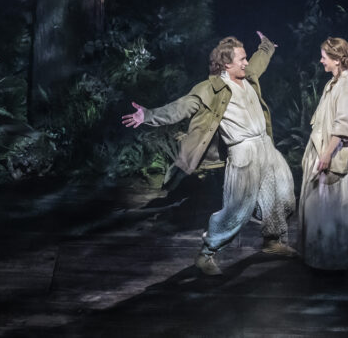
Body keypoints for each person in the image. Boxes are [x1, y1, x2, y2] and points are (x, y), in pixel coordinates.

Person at [122, 32, 297, 276]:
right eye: (241, 59)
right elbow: (180, 107)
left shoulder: (247, 77)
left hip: (266, 146)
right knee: (237, 210)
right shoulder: (209, 90)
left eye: (245, 58)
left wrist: (267, 46)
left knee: (283, 194)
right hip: (243, 153)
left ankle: (272, 240)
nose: (246, 63)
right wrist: (148, 115)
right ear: (226, 64)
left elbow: (258, 62)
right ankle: (207, 253)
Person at [297, 37, 348, 271]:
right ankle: (317, 259)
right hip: (321, 152)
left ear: (336, 59)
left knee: (329, 212)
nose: (321, 60)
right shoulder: (333, 83)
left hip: (330, 155)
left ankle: (331, 264)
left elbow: (344, 125)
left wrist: (326, 155)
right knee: (318, 212)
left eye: (324, 57)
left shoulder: (346, 85)